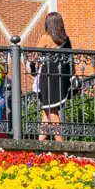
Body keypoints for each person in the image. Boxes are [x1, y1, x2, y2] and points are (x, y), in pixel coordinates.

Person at [31, 11, 74, 142]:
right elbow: (70, 59)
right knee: (46, 111)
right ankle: (40, 143)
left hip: (47, 75)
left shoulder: (46, 37)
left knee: (52, 111)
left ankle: (61, 144)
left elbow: (35, 57)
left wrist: (34, 66)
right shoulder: (66, 39)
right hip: (61, 76)